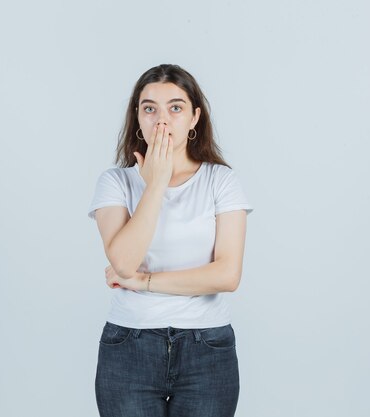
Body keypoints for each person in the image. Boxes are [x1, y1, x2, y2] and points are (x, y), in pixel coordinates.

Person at [87, 64, 254, 417]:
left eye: (175, 108)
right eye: (150, 108)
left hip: (207, 348)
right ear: (137, 116)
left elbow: (227, 275)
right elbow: (124, 262)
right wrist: (156, 182)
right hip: (129, 347)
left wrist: (144, 283)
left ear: (194, 117)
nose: (162, 120)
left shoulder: (220, 181)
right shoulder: (115, 182)